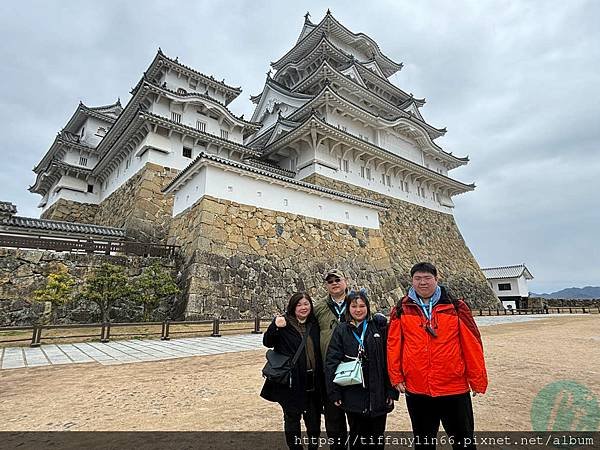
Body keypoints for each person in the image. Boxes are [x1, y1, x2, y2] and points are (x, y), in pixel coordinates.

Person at [387, 262, 488, 450]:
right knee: (424, 442)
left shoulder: (456, 306)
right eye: (418, 278)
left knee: (463, 440)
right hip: (418, 388)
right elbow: (393, 345)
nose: (422, 282)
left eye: (427, 278)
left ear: (436, 279)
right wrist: (396, 376)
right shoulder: (401, 308)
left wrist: (477, 378)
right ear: (412, 280)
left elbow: (472, 343)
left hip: (454, 387)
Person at [325, 289, 397, 450]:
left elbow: (389, 361)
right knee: (357, 436)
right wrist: (334, 392)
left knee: (377, 437)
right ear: (348, 308)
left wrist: (391, 391)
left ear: (368, 307)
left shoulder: (378, 327)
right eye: (354, 306)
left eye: (362, 306)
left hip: (378, 393)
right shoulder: (341, 330)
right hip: (353, 392)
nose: (358, 310)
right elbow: (331, 362)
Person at [261, 292, 323, 450]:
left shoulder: (314, 324)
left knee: (314, 422)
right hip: (291, 382)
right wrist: (275, 326)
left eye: (306, 304)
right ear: (293, 307)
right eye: (299, 304)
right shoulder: (284, 323)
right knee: (292, 420)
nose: (303, 307)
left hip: (313, 382)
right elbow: (267, 342)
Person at [313, 269, 350, 449]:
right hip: (330, 370)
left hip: (354, 367)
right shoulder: (319, 308)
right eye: (330, 281)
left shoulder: (357, 304)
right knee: (333, 419)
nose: (334, 283)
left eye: (337, 280)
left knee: (357, 416)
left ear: (346, 282)